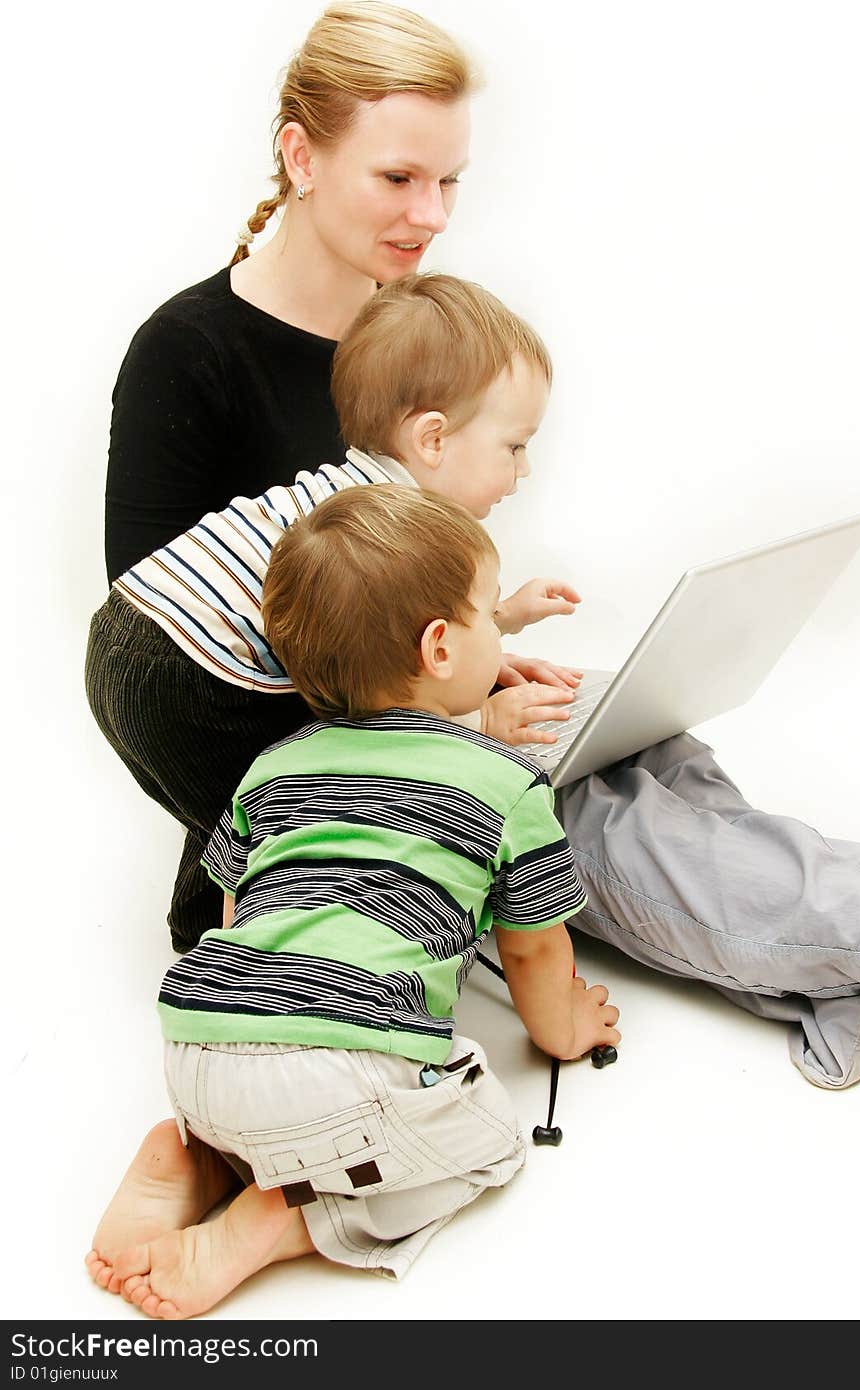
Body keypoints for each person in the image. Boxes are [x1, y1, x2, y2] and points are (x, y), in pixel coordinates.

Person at [85, 484, 622, 1320]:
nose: (496, 629)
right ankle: (287, 1217)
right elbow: (534, 953)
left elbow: (235, 911)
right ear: (441, 646)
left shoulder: (271, 765)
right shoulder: (508, 781)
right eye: (490, 612)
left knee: (278, 1102)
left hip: (199, 1044)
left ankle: (202, 1157)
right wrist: (570, 1028)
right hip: (339, 1070)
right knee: (486, 1141)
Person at [87, 271, 581, 953]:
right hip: (192, 678)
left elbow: (413, 638)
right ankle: (292, 953)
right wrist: (479, 719)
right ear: (433, 440)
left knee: (232, 794)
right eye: (514, 447)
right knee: (302, 792)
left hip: (136, 636)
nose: (522, 472)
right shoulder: (386, 526)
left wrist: (498, 626)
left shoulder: (354, 490)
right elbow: (374, 705)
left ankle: (203, 923)